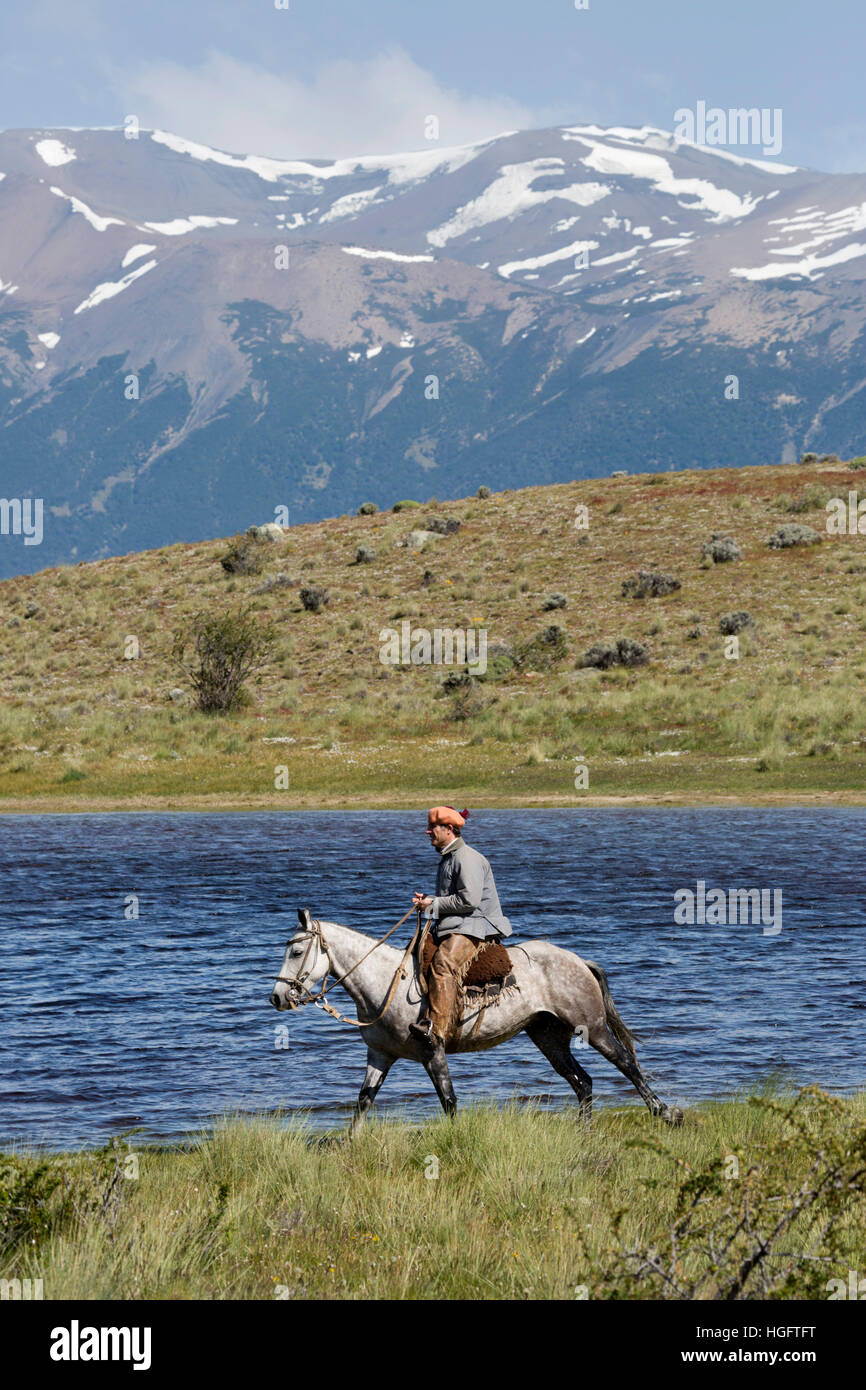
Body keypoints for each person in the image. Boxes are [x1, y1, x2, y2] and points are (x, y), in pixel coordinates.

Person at [410, 805, 512, 1051]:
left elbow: (469, 901)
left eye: (433, 827)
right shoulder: (449, 857)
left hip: (477, 926)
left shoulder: (466, 858)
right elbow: (454, 899)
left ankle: (438, 1031)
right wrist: (430, 903)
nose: (428, 832)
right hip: (461, 923)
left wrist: (432, 904)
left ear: (449, 829)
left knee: (443, 965)